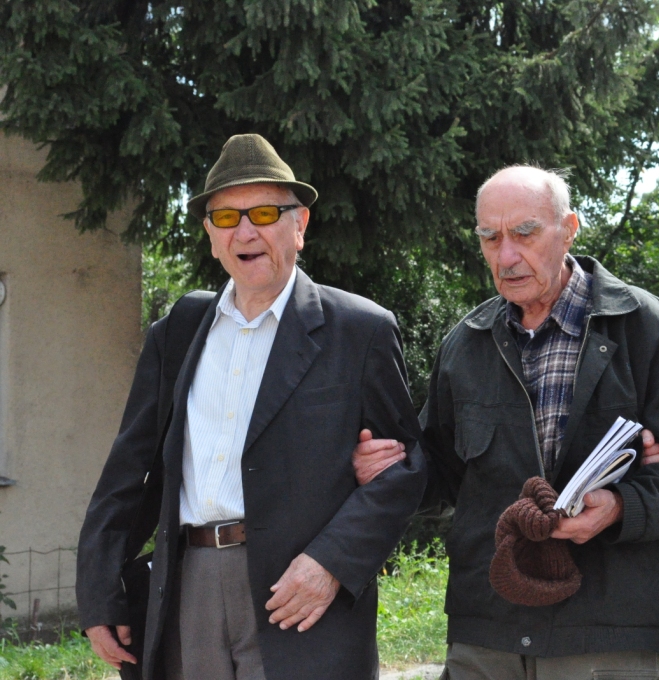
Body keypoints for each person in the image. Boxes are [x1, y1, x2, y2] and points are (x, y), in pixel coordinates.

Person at [354, 165, 659, 679]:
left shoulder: (640, 327)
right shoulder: (466, 343)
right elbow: (442, 474)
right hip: (488, 625)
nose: (506, 256)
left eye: (525, 233)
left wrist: (621, 507)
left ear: (569, 229)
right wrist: (389, 467)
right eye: (490, 238)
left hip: (603, 627)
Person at [76, 134, 427, 680]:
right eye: (226, 218)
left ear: (299, 224)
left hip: (301, 596)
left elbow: (406, 470)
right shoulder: (177, 332)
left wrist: (332, 562)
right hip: (189, 586)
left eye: (264, 213)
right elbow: (128, 469)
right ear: (210, 235)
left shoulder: (360, 330)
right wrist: (99, 591)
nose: (245, 232)